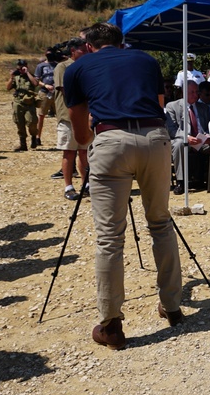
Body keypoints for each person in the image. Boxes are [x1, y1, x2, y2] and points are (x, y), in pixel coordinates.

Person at [63, 22, 183, 349]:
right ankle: (172, 306)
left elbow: (78, 124)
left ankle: (111, 325)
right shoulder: (146, 60)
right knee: (160, 222)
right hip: (155, 138)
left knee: (109, 237)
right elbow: (158, 105)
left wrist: (91, 140)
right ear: (120, 42)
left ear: (88, 45)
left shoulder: (78, 68)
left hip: (111, 139)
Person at [53, 37, 90, 199]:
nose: (86, 51)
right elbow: (65, 90)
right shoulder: (63, 67)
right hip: (68, 116)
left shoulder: (87, 66)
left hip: (84, 115)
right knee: (69, 152)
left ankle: (86, 183)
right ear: (73, 51)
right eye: (83, 49)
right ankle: (68, 186)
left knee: (84, 151)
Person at [165, 80, 210, 194]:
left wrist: (207, 135)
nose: (196, 95)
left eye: (197, 92)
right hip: (183, 139)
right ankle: (181, 181)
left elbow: (209, 126)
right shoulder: (172, 106)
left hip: (201, 141)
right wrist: (187, 137)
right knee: (179, 145)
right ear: (183, 92)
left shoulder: (204, 107)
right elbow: (172, 130)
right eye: (192, 92)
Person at [6, 58, 39, 152]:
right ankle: (23, 144)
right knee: (19, 123)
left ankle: (33, 138)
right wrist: (11, 77)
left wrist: (27, 72)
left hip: (29, 103)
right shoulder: (16, 77)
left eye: (22, 68)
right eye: (19, 68)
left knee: (32, 122)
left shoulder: (30, 76)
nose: (20, 70)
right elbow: (8, 88)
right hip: (18, 102)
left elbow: (35, 83)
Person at [34, 48, 61, 147]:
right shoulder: (41, 66)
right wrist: (45, 85)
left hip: (57, 93)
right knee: (41, 116)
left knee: (61, 116)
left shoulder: (58, 65)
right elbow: (36, 80)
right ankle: (37, 138)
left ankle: (61, 138)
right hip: (45, 92)